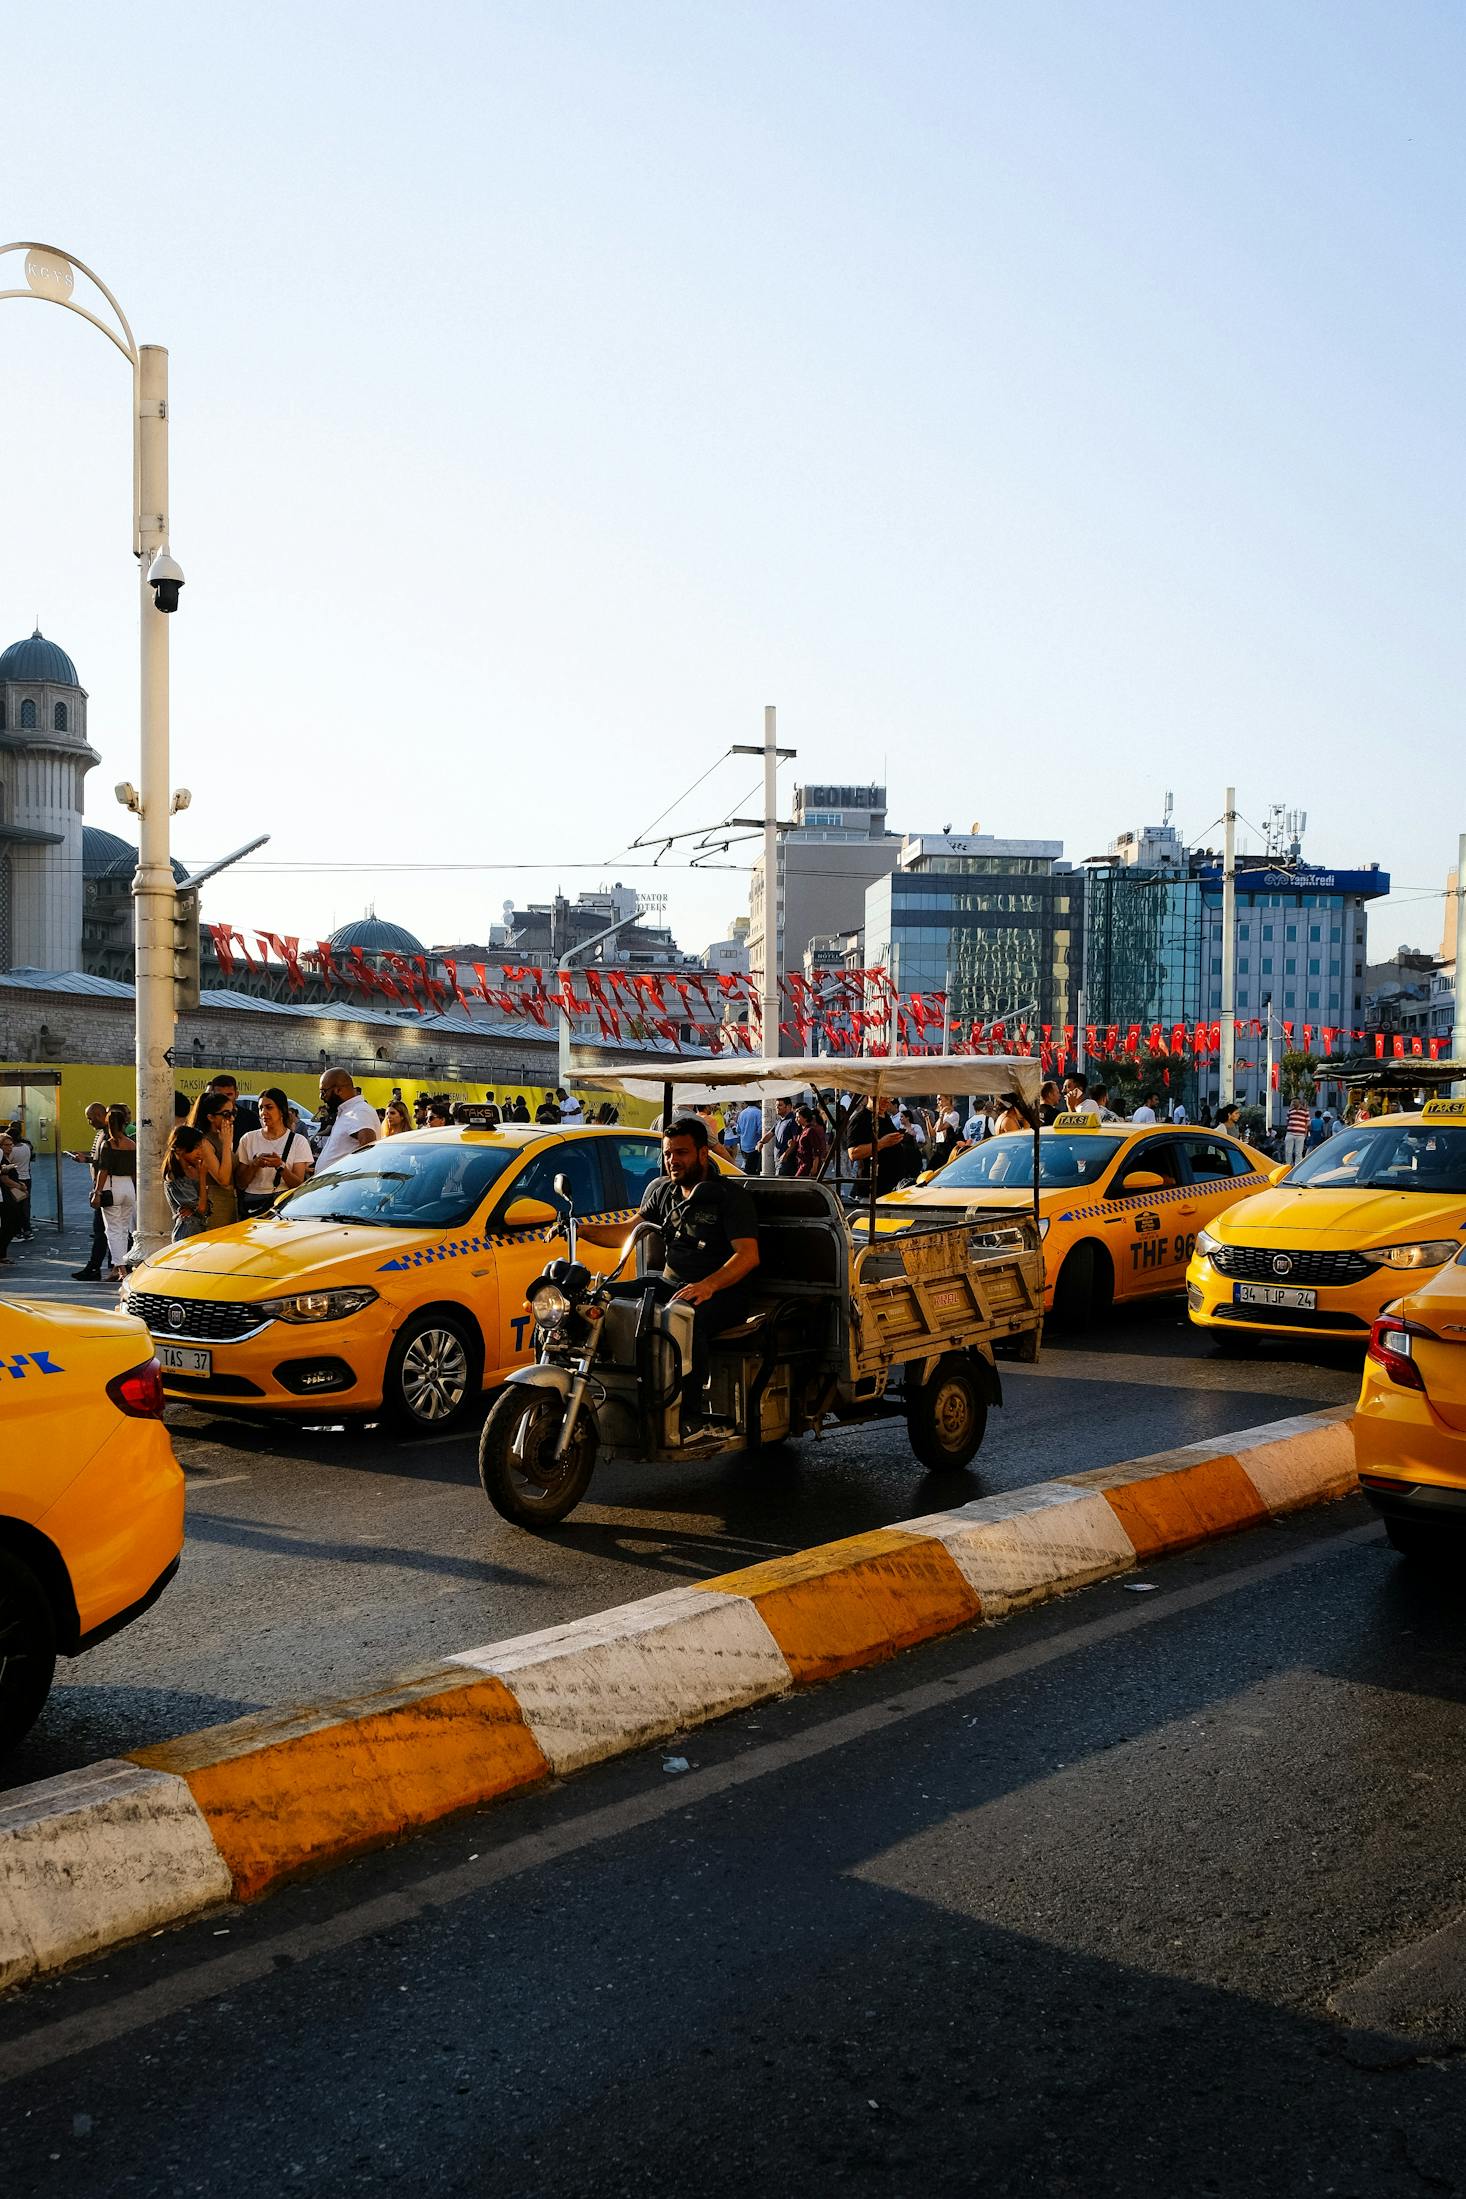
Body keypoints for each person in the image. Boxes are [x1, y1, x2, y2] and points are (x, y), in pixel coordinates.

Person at [584, 1115, 759, 1431]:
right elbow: (627, 1232)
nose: (672, 1161)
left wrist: (708, 1285)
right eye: (667, 1154)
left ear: (703, 1154)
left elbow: (748, 1256)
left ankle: (690, 1413)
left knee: (683, 1317)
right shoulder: (663, 1191)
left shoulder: (728, 1197)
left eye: (681, 1153)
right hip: (670, 1283)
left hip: (723, 1294)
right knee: (602, 1297)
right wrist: (580, 1229)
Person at [235, 1087, 314, 1216]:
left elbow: (298, 1185)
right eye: (260, 1108)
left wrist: (280, 1166)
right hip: (252, 1201)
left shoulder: (298, 1141)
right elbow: (241, 1183)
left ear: (281, 1110)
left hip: (283, 1202)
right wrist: (254, 1165)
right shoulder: (248, 1138)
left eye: (269, 1107)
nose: (263, 1112)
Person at [66, 1101, 111, 1280]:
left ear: (100, 1116)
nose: (89, 1122)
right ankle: (97, 1266)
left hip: (105, 1190)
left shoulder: (109, 1136)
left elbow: (106, 1166)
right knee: (104, 1231)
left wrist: (98, 1191)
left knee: (102, 1230)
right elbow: (100, 1160)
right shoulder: (103, 1135)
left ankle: (95, 1267)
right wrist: (87, 1160)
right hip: (102, 1188)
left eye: (90, 1118)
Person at [92, 1104, 137, 1282]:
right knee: (124, 1229)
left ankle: (121, 1268)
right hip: (129, 1188)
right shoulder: (132, 1144)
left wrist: (97, 1192)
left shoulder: (108, 1144)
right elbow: (134, 1170)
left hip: (112, 1186)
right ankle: (123, 1265)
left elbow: (103, 1170)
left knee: (112, 1230)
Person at [188, 1089, 238, 1229]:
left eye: (233, 1113)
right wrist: (227, 1144)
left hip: (230, 1202)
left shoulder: (221, 1136)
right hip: (215, 1203)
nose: (232, 1118)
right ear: (210, 1117)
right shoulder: (204, 1142)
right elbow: (223, 1179)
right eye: (226, 1114)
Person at [315, 1068, 382, 1172]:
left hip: (345, 1186)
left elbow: (368, 1151)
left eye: (323, 1091)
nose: (321, 1097)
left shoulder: (359, 1111)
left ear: (338, 1090)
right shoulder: (349, 1111)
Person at [847, 1095, 906, 1197]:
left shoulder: (885, 1117)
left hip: (892, 1185)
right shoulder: (860, 1119)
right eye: (882, 1098)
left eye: (889, 1098)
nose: (887, 1102)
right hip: (873, 1188)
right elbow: (853, 1153)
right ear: (871, 1096)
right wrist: (881, 1143)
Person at [161, 1124, 211, 1240]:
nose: (200, 1152)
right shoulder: (174, 1176)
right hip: (186, 1233)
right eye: (196, 1147)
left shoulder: (193, 1170)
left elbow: (205, 1207)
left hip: (198, 1231)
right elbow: (202, 1208)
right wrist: (202, 1177)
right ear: (180, 1149)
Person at [5, 1120, 33, 1241]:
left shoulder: (13, 1151)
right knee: (24, 1206)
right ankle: (27, 1229)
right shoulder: (27, 1146)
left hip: (17, 1180)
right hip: (27, 1178)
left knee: (15, 1207)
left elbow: (7, 1164)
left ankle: (18, 1232)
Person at [761, 1094, 802, 1177]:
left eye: (780, 1105)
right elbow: (770, 1134)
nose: (777, 1107)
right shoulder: (779, 1121)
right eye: (776, 1105)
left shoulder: (792, 1121)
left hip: (787, 1162)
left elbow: (795, 1141)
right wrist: (761, 1142)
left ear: (788, 1106)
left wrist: (785, 1154)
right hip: (778, 1161)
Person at [0, 1135, 25, 1267]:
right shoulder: (1, 1159)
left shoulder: (6, 1158)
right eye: (6, 1145)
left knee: (11, 1224)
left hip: (8, 1195)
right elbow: (4, 1179)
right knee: (12, 1223)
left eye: (11, 1145)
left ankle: (2, 1253)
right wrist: (19, 1186)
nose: (10, 1148)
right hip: (5, 1196)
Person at [792, 1103, 828, 1178]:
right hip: (801, 1163)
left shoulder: (810, 1131)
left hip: (808, 1165)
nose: (796, 1119)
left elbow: (816, 1150)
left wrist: (814, 1167)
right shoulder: (802, 1130)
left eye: (798, 1117)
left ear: (805, 1118)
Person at [734, 1097, 764, 1177]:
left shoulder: (742, 1113)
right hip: (754, 1146)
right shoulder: (759, 1113)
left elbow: (738, 1130)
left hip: (743, 1146)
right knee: (753, 1171)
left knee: (748, 1168)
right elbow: (761, 1130)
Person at [1282, 1098, 1310, 1165]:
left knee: (1298, 1152)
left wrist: (1305, 1134)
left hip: (1300, 1134)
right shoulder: (1290, 1111)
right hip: (1290, 1133)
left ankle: (1297, 1165)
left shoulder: (1305, 1111)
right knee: (1288, 1151)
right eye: (1292, 1102)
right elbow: (1287, 1121)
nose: (1293, 1103)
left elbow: (1307, 1123)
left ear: (1299, 1102)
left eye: (1295, 1102)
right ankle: (1288, 1165)